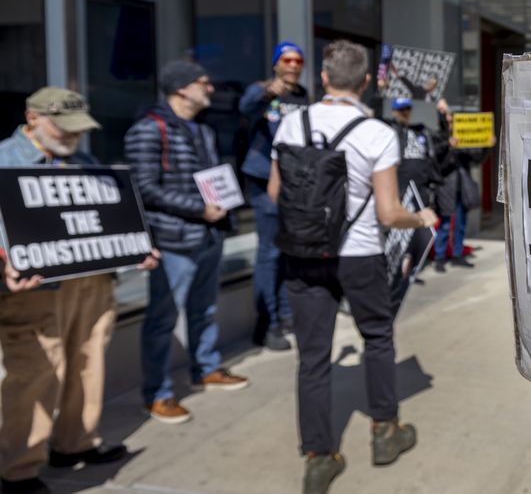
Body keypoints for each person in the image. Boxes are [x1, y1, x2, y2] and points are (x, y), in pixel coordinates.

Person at [268, 40, 437, 494]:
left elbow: (273, 194)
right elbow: (387, 213)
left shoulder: (288, 124)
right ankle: (385, 432)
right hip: (359, 254)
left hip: (303, 256)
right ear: (364, 82)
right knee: (378, 338)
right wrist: (420, 217)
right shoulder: (377, 133)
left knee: (313, 357)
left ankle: (319, 457)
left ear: (323, 78)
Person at [0, 88, 159, 494]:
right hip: (35, 290)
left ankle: (75, 442)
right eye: (63, 127)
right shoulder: (4, 160)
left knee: (88, 361)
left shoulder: (85, 161)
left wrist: (135, 246)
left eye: (78, 129)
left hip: (91, 281)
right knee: (35, 372)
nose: (72, 137)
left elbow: (103, 217)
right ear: (32, 118)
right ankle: (17, 467)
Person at [125, 60, 249, 426]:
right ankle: (158, 393)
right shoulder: (148, 130)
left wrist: (222, 208)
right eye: (203, 83)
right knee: (163, 318)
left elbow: (210, 178)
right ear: (181, 88)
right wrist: (200, 209)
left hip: (208, 234)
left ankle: (205, 368)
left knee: (204, 308)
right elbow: (143, 188)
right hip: (174, 239)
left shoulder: (202, 131)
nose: (210, 89)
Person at [239, 42, 309, 351]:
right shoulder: (262, 91)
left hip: (295, 183)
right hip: (265, 180)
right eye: (287, 60)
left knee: (287, 251)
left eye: (298, 60)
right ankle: (267, 324)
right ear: (275, 64)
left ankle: (285, 313)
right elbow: (246, 107)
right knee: (268, 253)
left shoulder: (302, 95)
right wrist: (270, 90)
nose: (293, 65)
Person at [431, 100, 493, 271]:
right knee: (444, 224)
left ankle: (457, 255)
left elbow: (476, 159)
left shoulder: (464, 139)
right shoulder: (439, 137)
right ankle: (440, 257)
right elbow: (436, 159)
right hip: (446, 187)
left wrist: (486, 146)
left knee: (460, 223)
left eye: (453, 121)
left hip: (462, 187)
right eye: (449, 121)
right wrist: (448, 146)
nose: (451, 123)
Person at [390, 97, 442, 288]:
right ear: (394, 111)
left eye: (407, 109)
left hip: (420, 190)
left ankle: (409, 271)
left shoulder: (420, 131)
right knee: (400, 232)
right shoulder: (390, 131)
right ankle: (398, 273)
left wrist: (442, 113)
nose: (404, 113)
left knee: (416, 234)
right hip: (400, 190)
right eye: (401, 109)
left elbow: (439, 145)